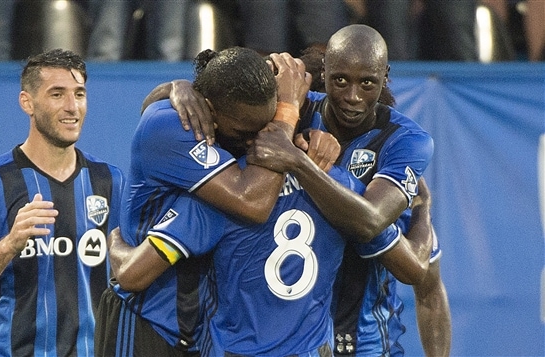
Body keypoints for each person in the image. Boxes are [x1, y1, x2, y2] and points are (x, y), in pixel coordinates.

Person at [164, 25, 451, 356]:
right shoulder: (291, 108)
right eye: (340, 80)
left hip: (363, 342)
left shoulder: (404, 144)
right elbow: (219, 94)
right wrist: (183, 88)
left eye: (367, 83)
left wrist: (298, 163)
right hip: (285, 337)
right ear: (324, 71)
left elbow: (406, 259)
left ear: (385, 77)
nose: (353, 96)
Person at [94, 46, 316, 356]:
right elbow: (254, 203)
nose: (258, 142)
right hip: (147, 321)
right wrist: (287, 113)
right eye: (244, 131)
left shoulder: (226, 161)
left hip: (203, 330)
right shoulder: (176, 128)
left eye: (265, 128)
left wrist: (175, 85)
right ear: (209, 111)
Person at [103, 158, 434, 355]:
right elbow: (414, 267)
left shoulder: (220, 194)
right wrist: (422, 211)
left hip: (233, 350)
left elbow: (132, 275)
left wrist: (115, 240)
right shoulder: (341, 188)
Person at [0, 48, 124, 356]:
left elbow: (126, 275)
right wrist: (9, 244)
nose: (72, 107)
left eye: (79, 94)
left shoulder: (109, 180)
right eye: (57, 94)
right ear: (27, 102)